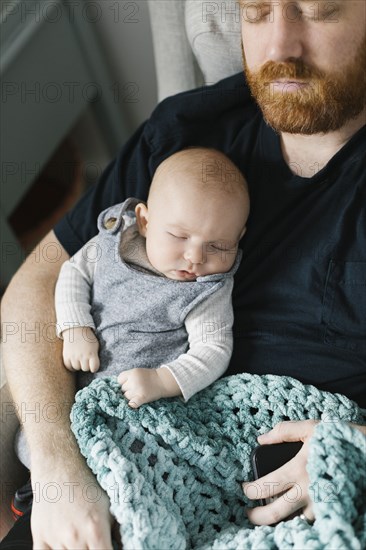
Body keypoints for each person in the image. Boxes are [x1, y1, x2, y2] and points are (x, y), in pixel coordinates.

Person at [1, 0, 365, 548]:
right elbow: (37, 283)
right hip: (113, 468)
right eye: (258, 11)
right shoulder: (188, 136)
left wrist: (358, 446)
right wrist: (57, 470)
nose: (278, 48)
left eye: (318, 11)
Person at [55, 148, 248, 408]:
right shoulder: (116, 237)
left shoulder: (206, 290)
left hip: (143, 403)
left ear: (238, 239)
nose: (195, 257)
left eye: (219, 246)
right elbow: (74, 271)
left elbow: (213, 349)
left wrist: (161, 380)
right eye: (179, 236)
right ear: (145, 221)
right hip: (73, 386)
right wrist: (76, 327)